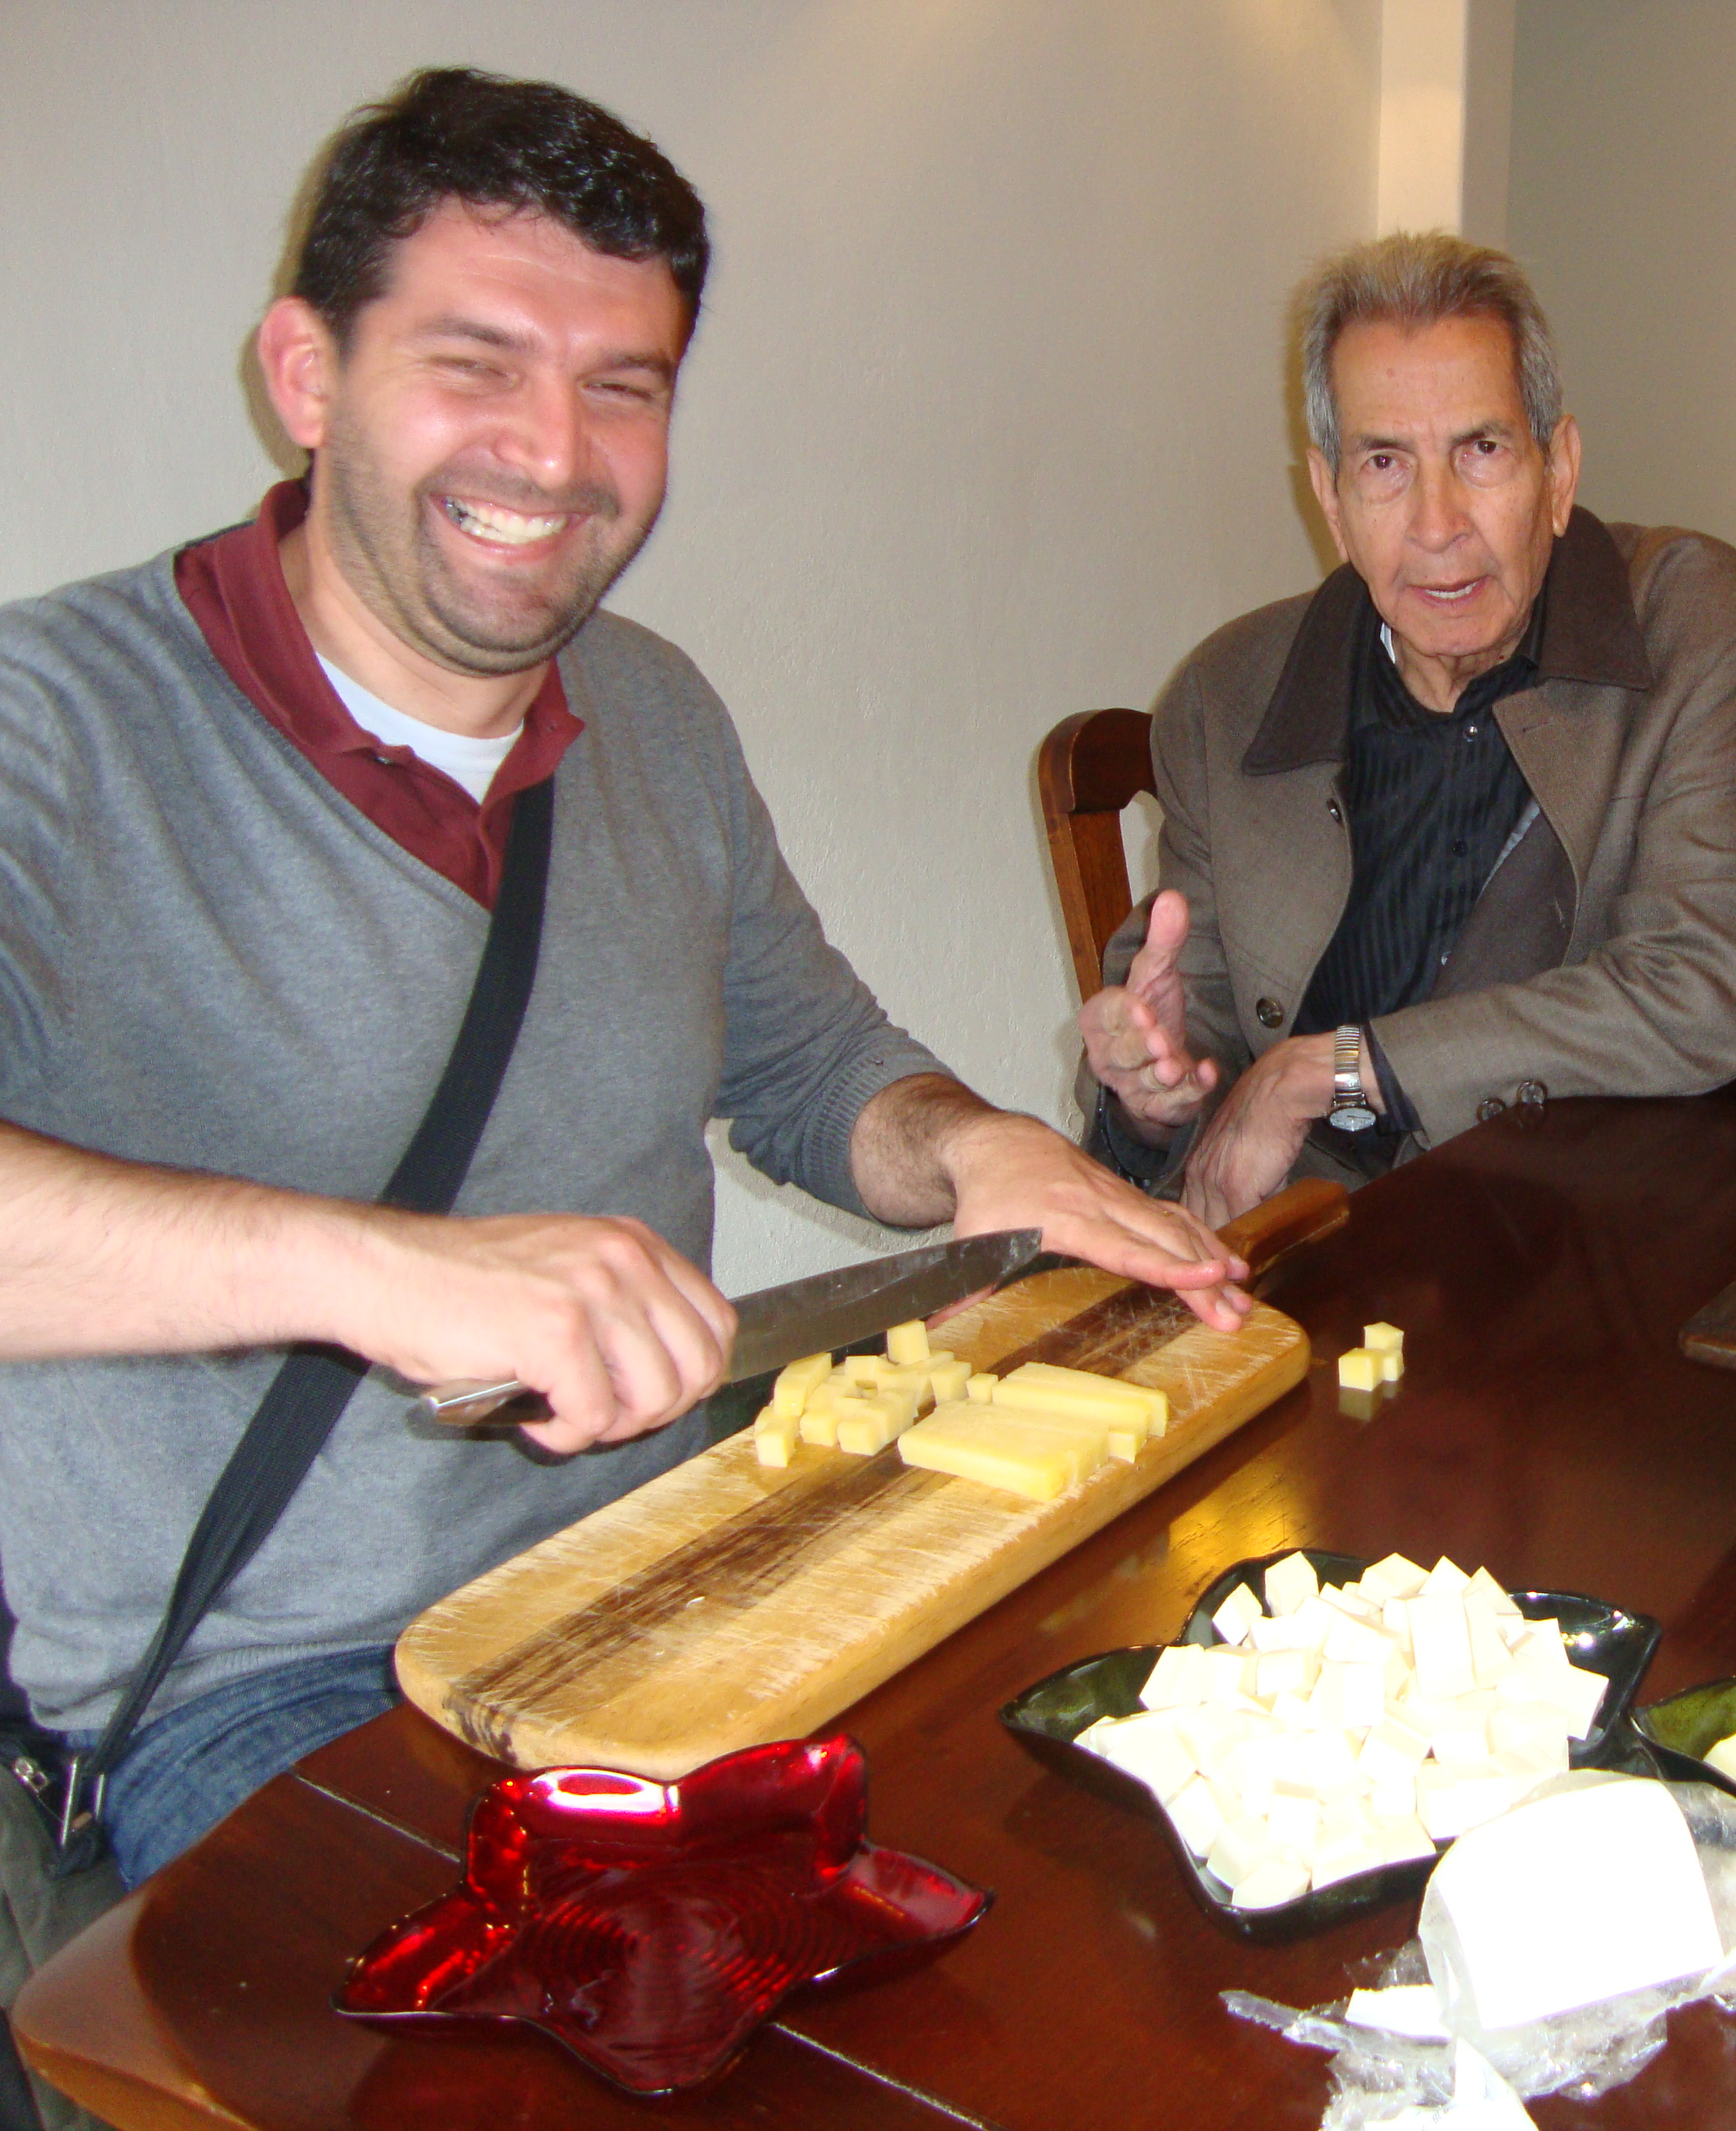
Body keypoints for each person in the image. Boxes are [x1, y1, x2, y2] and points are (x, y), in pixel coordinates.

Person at [0, 63, 1247, 1968]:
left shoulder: (651, 710)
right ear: (305, 373)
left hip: (667, 1569)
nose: (554, 452)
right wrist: (380, 1271)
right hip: (268, 1691)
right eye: (475, 364)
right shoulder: (56, 727)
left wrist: (974, 1151)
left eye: (623, 387)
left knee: (1098, 1896)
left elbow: (808, 1058)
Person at [1076, 233, 1736, 1227]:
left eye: (1481, 450)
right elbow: (1199, 1017)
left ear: (1558, 470)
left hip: (1563, 1231)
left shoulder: (1698, 628)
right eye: (1385, 463)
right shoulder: (1227, 694)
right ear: (1331, 499)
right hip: (1297, 1239)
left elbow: (1700, 990)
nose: (1437, 522)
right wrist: (1152, 1086)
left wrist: (1337, 1068)